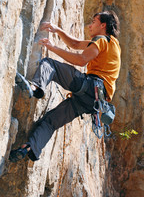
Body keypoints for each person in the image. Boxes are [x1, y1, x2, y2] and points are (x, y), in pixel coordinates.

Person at [9, 10, 121, 162]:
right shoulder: (112, 45)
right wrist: (57, 30)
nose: (90, 26)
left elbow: (81, 60)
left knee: (50, 65)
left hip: (90, 86)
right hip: (93, 103)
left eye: (93, 22)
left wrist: (53, 48)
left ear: (103, 25)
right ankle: (29, 148)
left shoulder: (102, 40)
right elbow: (74, 44)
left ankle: (34, 87)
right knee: (50, 122)